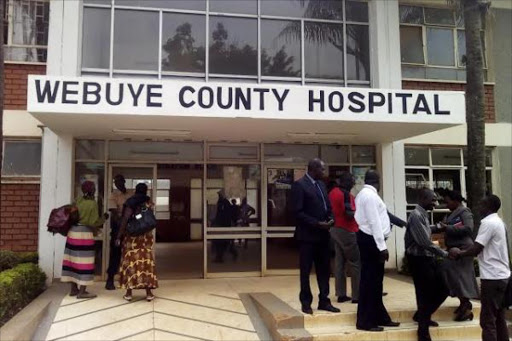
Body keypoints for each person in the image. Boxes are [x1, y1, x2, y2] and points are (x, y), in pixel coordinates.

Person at [449, 195, 510, 341]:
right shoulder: (499, 222)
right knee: (499, 318)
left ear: (489, 207)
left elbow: (476, 248)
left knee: (487, 320)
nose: (478, 208)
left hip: (492, 278)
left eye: (482, 205)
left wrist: (459, 253)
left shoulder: (488, 223)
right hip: (502, 276)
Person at [291, 158, 339, 315]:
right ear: (313, 169)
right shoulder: (299, 185)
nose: (324, 172)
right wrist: (317, 223)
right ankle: (306, 302)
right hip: (307, 237)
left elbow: (328, 206)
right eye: (322, 169)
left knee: (324, 270)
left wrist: (331, 218)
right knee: (305, 272)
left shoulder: (321, 185)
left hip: (323, 236)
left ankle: (324, 301)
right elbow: (297, 212)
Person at [354, 170, 399, 332]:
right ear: (377, 181)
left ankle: (380, 316)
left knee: (376, 283)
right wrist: (382, 247)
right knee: (370, 283)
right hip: (372, 242)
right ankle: (365, 322)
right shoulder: (370, 196)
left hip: (369, 240)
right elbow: (374, 222)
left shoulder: (363, 194)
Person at [405, 188, 449, 341]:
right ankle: (422, 331)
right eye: (432, 200)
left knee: (441, 289)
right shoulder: (416, 216)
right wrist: (444, 253)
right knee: (426, 293)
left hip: (426, 258)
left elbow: (424, 231)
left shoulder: (422, 214)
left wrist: (437, 227)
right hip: (419, 259)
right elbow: (424, 241)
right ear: (423, 199)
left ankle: (422, 316)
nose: (435, 204)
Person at [61, 181, 108, 299]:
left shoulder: (77, 201)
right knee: (85, 262)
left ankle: (73, 289)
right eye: (94, 188)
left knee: (72, 261)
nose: (95, 190)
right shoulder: (92, 204)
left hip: (72, 233)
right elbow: (93, 222)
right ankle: (82, 292)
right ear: (92, 190)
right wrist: (104, 218)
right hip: (84, 234)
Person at [439, 190, 479, 321]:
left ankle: (465, 306)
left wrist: (447, 228)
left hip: (462, 250)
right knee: (454, 276)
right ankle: (464, 303)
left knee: (461, 278)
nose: (446, 204)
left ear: (456, 200)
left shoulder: (465, 212)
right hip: (453, 250)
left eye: (447, 201)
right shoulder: (451, 214)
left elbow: (468, 228)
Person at [115, 183, 158, 302]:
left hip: (132, 239)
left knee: (131, 264)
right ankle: (149, 293)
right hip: (145, 239)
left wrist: (119, 236)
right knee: (146, 265)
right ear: (146, 191)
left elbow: (125, 220)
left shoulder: (130, 202)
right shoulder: (148, 203)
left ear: (135, 191)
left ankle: (129, 293)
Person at [328, 171, 360, 304]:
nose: (353, 184)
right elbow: (349, 213)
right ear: (347, 183)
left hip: (334, 229)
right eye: (352, 182)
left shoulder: (332, 192)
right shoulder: (347, 195)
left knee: (339, 263)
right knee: (355, 263)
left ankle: (341, 294)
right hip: (347, 230)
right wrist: (360, 212)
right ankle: (357, 296)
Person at [106, 174, 131, 290]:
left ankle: (129, 280)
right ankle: (110, 280)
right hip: (118, 229)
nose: (118, 184)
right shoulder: (113, 196)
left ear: (124, 181)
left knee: (130, 254)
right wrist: (122, 223)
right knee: (115, 254)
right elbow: (114, 213)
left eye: (119, 181)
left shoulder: (131, 194)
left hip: (130, 228)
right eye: (116, 182)